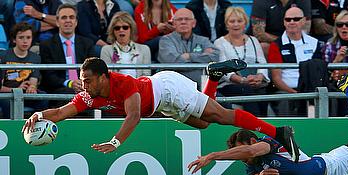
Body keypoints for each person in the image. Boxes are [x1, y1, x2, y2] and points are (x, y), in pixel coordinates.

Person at [22, 57, 300, 162]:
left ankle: (279, 131)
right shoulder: (89, 96)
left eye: (89, 80)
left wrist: (116, 141)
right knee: (203, 124)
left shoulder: (123, 83)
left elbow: (134, 115)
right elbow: (61, 113)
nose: (85, 86)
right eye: (83, 81)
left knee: (221, 116)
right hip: (162, 103)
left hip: (167, 89)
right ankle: (213, 77)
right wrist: (39, 115)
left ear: (104, 76)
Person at [188, 65, 348, 175]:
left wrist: (213, 156)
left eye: (242, 154)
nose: (244, 159)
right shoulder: (251, 164)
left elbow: (250, 151)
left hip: (330, 166)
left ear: (254, 141)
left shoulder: (269, 142)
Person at [214, 6, 270, 116]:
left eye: (239, 21)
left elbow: (262, 62)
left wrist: (259, 77)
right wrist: (243, 80)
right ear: (226, 24)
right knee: (247, 90)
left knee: (262, 92)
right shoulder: (219, 43)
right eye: (232, 21)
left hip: (254, 83)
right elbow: (225, 70)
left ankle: (265, 124)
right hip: (229, 85)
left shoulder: (253, 41)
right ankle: (256, 124)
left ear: (245, 23)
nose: (236, 24)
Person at [267, 7, 323, 116]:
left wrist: (305, 94)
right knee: (286, 101)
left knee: (329, 97)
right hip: (287, 91)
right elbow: (276, 78)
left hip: (310, 90)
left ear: (303, 21)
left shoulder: (314, 43)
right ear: (284, 22)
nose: (292, 22)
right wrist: (294, 93)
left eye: (296, 19)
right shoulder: (276, 45)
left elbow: (318, 72)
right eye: (288, 19)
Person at [40, 4, 96, 97]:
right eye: (64, 17)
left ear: (76, 22)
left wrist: (83, 83)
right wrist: (70, 83)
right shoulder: (46, 45)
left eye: (71, 17)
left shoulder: (87, 43)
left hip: (85, 88)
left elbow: (92, 70)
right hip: (59, 89)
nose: (68, 20)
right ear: (57, 22)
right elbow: (49, 76)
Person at [158, 8, 220, 87]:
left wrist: (189, 56)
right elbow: (172, 62)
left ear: (193, 23)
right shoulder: (165, 40)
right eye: (179, 19)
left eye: (187, 19)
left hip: (200, 89)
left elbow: (215, 57)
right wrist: (200, 61)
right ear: (173, 23)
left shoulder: (203, 40)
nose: (183, 22)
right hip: (175, 88)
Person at [0, 22, 48, 118]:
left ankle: (38, 124)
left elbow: (34, 80)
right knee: (7, 102)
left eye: (28, 37)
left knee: (43, 97)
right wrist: (16, 90)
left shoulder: (35, 58)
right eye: (21, 37)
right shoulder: (4, 56)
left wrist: (32, 87)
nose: (25, 41)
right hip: (7, 93)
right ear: (14, 40)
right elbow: (0, 88)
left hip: (25, 93)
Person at [101, 11, 151, 77]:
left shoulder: (144, 49)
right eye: (117, 28)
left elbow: (146, 76)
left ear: (131, 29)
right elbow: (107, 76)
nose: (121, 30)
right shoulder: (106, 50)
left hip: (138, 86)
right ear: (113, 31)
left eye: (125, 27)